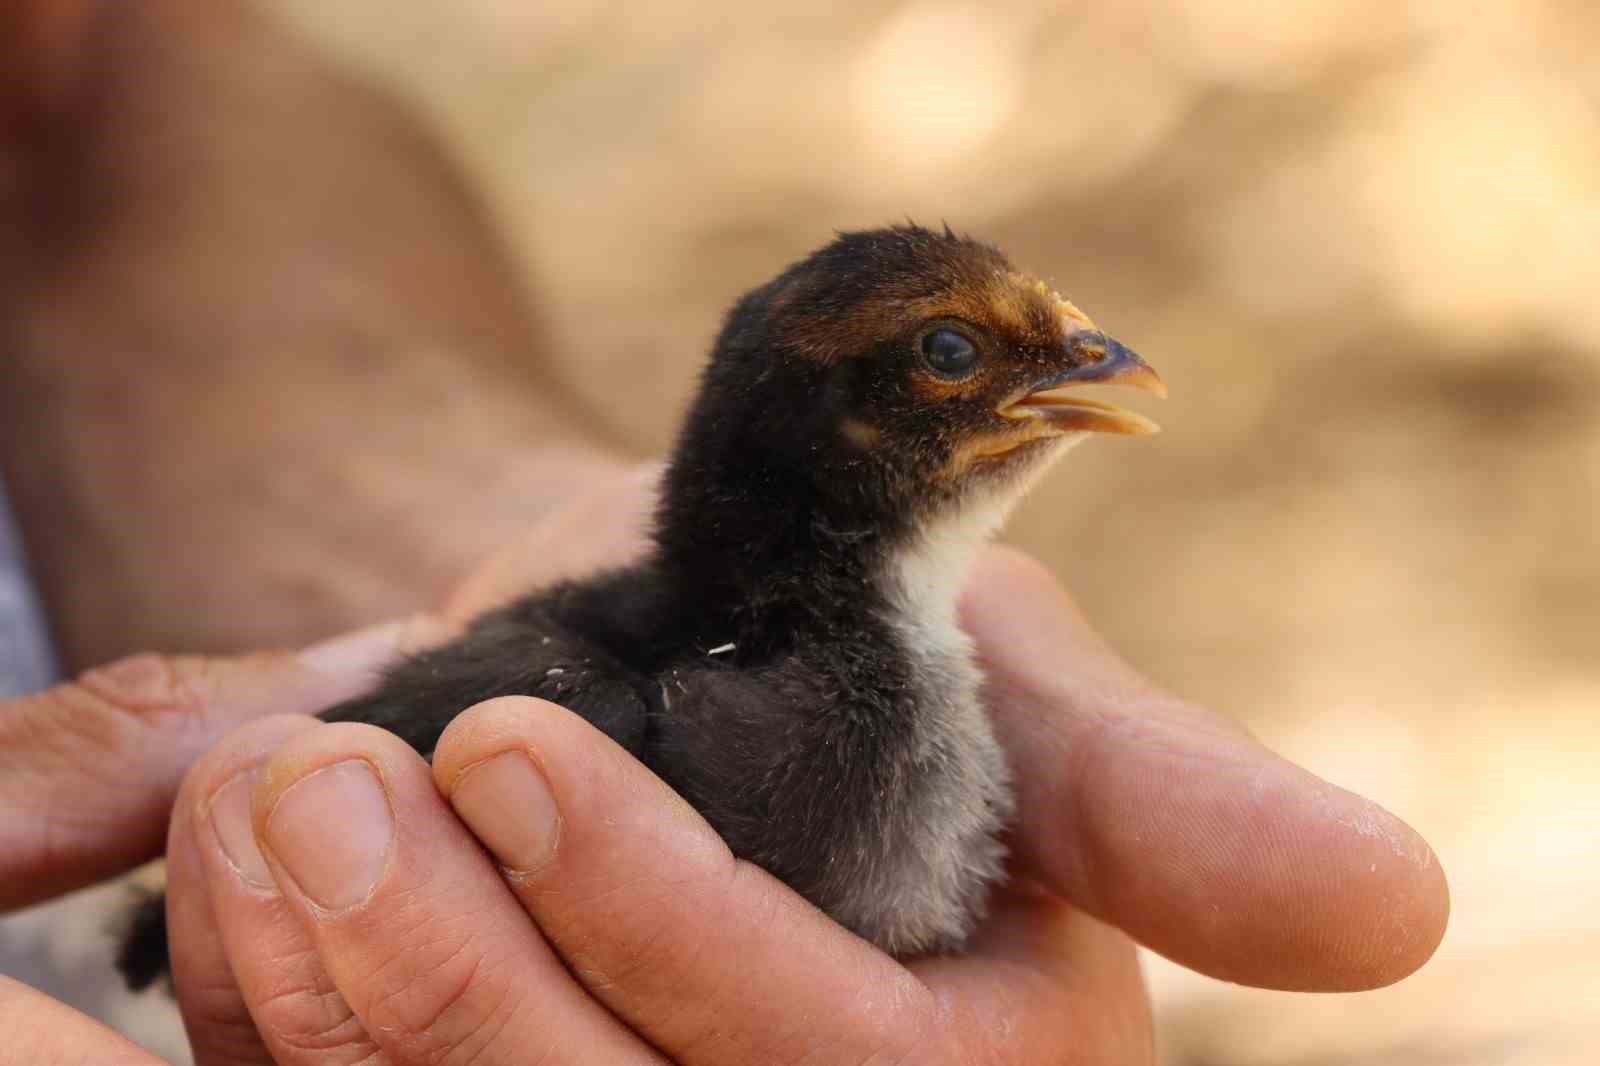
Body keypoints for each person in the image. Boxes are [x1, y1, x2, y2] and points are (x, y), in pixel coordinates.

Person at [0, 2, 1448, 1063]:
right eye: (956, 359)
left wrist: (380, 541)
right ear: (833, 432)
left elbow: (82, 66)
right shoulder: (778, 729)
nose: (1091, 364)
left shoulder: (733, 693)